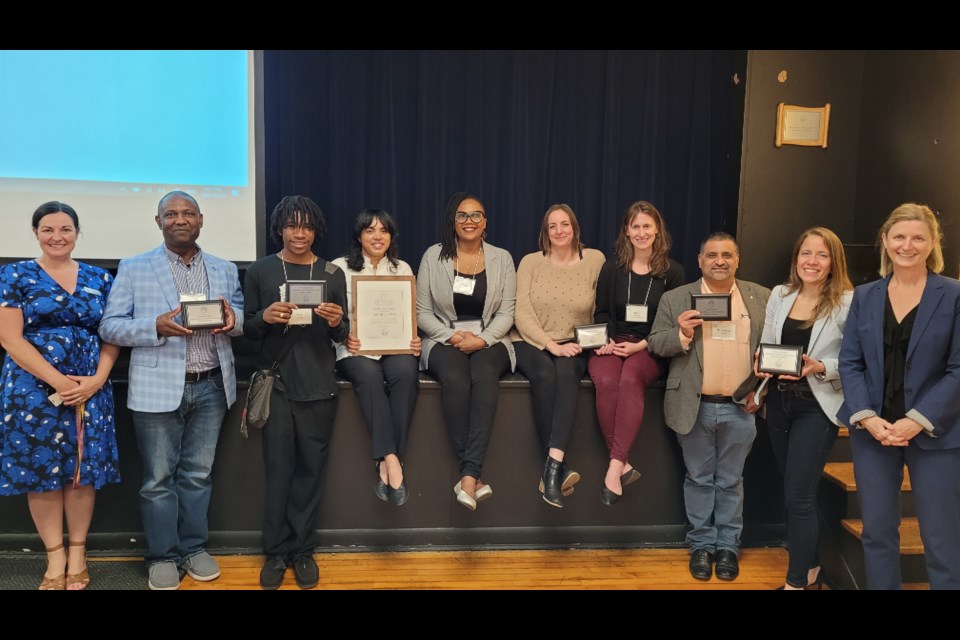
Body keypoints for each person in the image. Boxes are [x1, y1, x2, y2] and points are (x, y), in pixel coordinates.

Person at [99, 191, 244, 591]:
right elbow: (109, 326)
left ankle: (194, 548)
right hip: (155, 388)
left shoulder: (225, 269)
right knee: (158, 480)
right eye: (171, 214)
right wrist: (154, 327)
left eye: (188, 213)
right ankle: (162, 555)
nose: (180, 219)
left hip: (212, 385)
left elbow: (241, 318)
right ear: (158, 220)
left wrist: (233, 319)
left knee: (198, 475)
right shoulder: (134, 268)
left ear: (201, 219)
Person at [838, 203, 960, 590]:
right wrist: (867, 417)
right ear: (885, 241)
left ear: (933, 243)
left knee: (941, 538)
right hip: (873, 432)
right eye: (900, 237)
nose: (908, 245)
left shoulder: (954, 294)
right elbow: (850, 362)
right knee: (877, 533)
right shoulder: (865, 295)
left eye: (918, 238)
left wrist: (918, 419)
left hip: (936, 434)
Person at [0, 202, 120, 590]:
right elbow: (9, 337)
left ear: (77, 233)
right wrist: (58, 381)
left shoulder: (100, 278)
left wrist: (98, 379)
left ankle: (78, 554)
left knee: (81, 473)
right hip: (33, 390)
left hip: (90, 388)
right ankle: (54, 558)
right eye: (48, 229)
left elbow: (112, 335)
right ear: (35, 232)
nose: (57, 236)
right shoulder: (14, 275)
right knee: (43, 473)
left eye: (65, 229)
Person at [647, 232, 770, 582]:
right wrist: (682, 334)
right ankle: (702, 545)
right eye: (712, 255)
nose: (720, 261)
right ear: (700, 260)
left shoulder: (759, 298)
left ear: (738, 259)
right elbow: (656, 343)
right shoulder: (676, 298)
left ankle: (728, 546)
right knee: (699, 479)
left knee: (731, 481)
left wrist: (761, 391)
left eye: (727, 255)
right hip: (694, 405)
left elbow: (772, 353)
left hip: (741, 406)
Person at [243, 195, 348, 590]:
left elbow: (342, 332)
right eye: (291, 225)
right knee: (279, 473)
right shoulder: (260, 271)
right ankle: (275, 552)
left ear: (316, 229)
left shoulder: (332, 274)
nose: (299, 232)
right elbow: (247, 329)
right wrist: (265, 317)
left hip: (320, 386)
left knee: (310, 473)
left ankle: (303, 551)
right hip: (278, 386)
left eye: (306, 225)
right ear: (279, 229)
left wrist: (338, 321)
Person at [758, 227, 853, 590]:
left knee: (798, 496)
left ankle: (796, 583)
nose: (812, 262)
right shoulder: (781, 294)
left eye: (822, 255)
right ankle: (811, 566)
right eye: (806, 253)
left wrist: (822, 367)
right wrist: (760, 362)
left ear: (834, 262)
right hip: (780, 402)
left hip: (817, 406)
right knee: (793, 492)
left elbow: (859, 360)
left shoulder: (848, 302)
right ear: (796, 258)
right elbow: (768, 343)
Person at [417, 192, 516, 511]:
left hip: (491, 339)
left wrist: (484, 339)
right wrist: (451, 335)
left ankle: (468, 475)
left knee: (485, 376)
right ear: (452, 220)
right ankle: (473, 475)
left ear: (485, 221)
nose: (469, 221)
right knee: (456, 380)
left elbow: (507, 313)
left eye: (476, 215)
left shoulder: (502, 258)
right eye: (462, 215)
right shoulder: (433, 256)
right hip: (445, 339)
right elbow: (422, 312)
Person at [589, 201, 684, 506]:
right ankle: (623, 465)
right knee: (606, 379)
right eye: (635, 227)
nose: (641, 232)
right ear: (626, 232)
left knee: (630, 379)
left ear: (657, 230)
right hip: (615, 342)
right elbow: (602, 311)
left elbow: (672, 324)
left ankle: (614, 468)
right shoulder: (612, 268)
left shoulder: (673, 273)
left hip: (650, 347)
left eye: (647, 226)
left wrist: (642, 346)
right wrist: (605, 341)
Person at [512, 204, 605, 508]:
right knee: (544, 374)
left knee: (567, 375)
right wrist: (550, 344)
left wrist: (596, 341)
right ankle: (557, 469)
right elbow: (521, 312)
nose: (559, 231)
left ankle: (551, 468)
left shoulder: (595, 260)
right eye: (552, 226)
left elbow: (601, 308)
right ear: (545, 232)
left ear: (575, 227)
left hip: (576, 343)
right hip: (531, 341)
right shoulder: (530, 262)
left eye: (564, 224)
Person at [332, 209, 420, 506]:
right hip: (355, 347)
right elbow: (332, 316)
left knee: (407, 374)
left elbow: (409, 314)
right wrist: (344, 334)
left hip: (394, 346)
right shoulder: (338, 268)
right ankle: (394, 460)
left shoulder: (402, 268)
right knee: (369, 377)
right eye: (370, 230)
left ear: (391, 236)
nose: (377, 236)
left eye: (383, 230)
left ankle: (385, 461)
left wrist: (412, 336)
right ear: (359, 236)